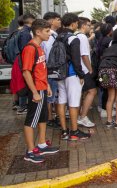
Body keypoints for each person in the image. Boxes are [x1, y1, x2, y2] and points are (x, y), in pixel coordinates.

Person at [21, 19, 59, 163]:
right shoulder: (30, 48)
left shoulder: (39, 47)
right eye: (47, 31)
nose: (49, 34)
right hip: (36, 90)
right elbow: (26, 72)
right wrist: (35, 92)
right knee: (32, 119)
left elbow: (40, 69)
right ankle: (30, 151)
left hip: (42, 88)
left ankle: (41, 144)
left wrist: (47, 85)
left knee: (42, 117)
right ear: (38, 32)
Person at [56, 13, 89, 141]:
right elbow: (76, 60)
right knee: (74, 103)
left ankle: (64, 131)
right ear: (73, 23)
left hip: (60, 73)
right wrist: (81, 74)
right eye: (76, 23)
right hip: (71, 73)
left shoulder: (58, 37)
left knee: (61, 101)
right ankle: (74, 131)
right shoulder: (73, 39)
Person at [42, 12, 62, 129]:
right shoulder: (49, 37)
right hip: (51, 70)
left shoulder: (53, 35)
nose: (60, 21)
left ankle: (51, 117)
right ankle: (49, 118)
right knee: (51, 95)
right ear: (50, 22)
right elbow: (49, 55)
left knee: (53, 94)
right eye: (57, 19)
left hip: (51, 70)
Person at [76, 17, 97, 128]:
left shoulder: (77, 36)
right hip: (84, 69)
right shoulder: (83, 37)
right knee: (92, 91)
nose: (90, 27)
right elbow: (84, 55)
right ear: (83, 26)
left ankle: (80, 114)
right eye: (89, 25)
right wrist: (90, 69)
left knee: (83, 93)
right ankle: (83, 117)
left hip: (79, 69)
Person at [16, 13, 36, 115]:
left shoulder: (22, 31)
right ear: (31, 21)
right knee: (26, 83)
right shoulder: (25, 33)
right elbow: (26, 50)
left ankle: (23, 106)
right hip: (25, 62)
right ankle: (23, 107)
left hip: (22, 61)